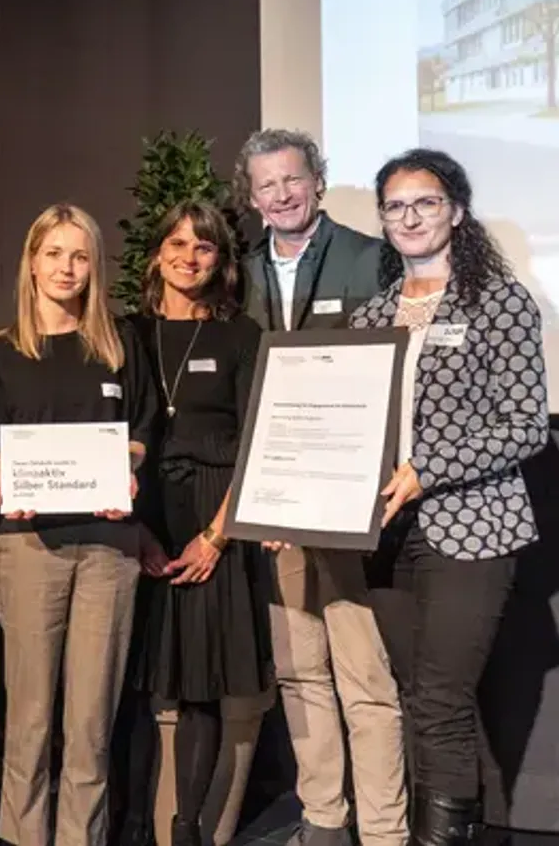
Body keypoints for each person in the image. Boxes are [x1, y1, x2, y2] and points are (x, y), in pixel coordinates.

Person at [349, 148, 548, 846]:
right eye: (396, 205)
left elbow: (525, 425)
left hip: (472, 528)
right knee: (416, 699)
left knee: (440, 698)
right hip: (385, 534)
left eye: (426, 202)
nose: (410, 216)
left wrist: (428, 468)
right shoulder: (369, 316)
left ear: (456, 211)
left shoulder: (498, 300)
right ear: (382, 219)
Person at [238, 128, 408, 846]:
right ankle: (324, 817)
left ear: (318, 180)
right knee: (301, 671)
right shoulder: (239, 274)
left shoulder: (370, 259)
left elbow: (397, 378)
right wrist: (267, 494)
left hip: (347, 504)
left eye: (293, 180)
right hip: (275, 504)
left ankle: (384, 827)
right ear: (251, 198)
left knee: (364, 676)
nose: (281, 194)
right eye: (266, 185)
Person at [0, 203, 164, 846]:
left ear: (95, 267)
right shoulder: (1, 352)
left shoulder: (120, 344)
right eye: (54, 253)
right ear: (31, 262)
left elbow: (142, 433)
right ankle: (22, 837)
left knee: (90, 720)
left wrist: (128, 472)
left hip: (109, 548)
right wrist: (2, 472)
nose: (67, 268)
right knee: (29, 717)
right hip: (31, 546)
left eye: (80, 255)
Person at [124, 200, 274, 846]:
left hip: (217, 508)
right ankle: (133, 824)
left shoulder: (242, 336)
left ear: (221, 259)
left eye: (204, 246)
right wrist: (138, 528)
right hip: (139, 505)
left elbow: (256, 441)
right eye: (178, 243)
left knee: (201, 684)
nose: (189, 256)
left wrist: (218, 534)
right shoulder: (125, 332)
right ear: (157, 252)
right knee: (134, 681)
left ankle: (185, 827)